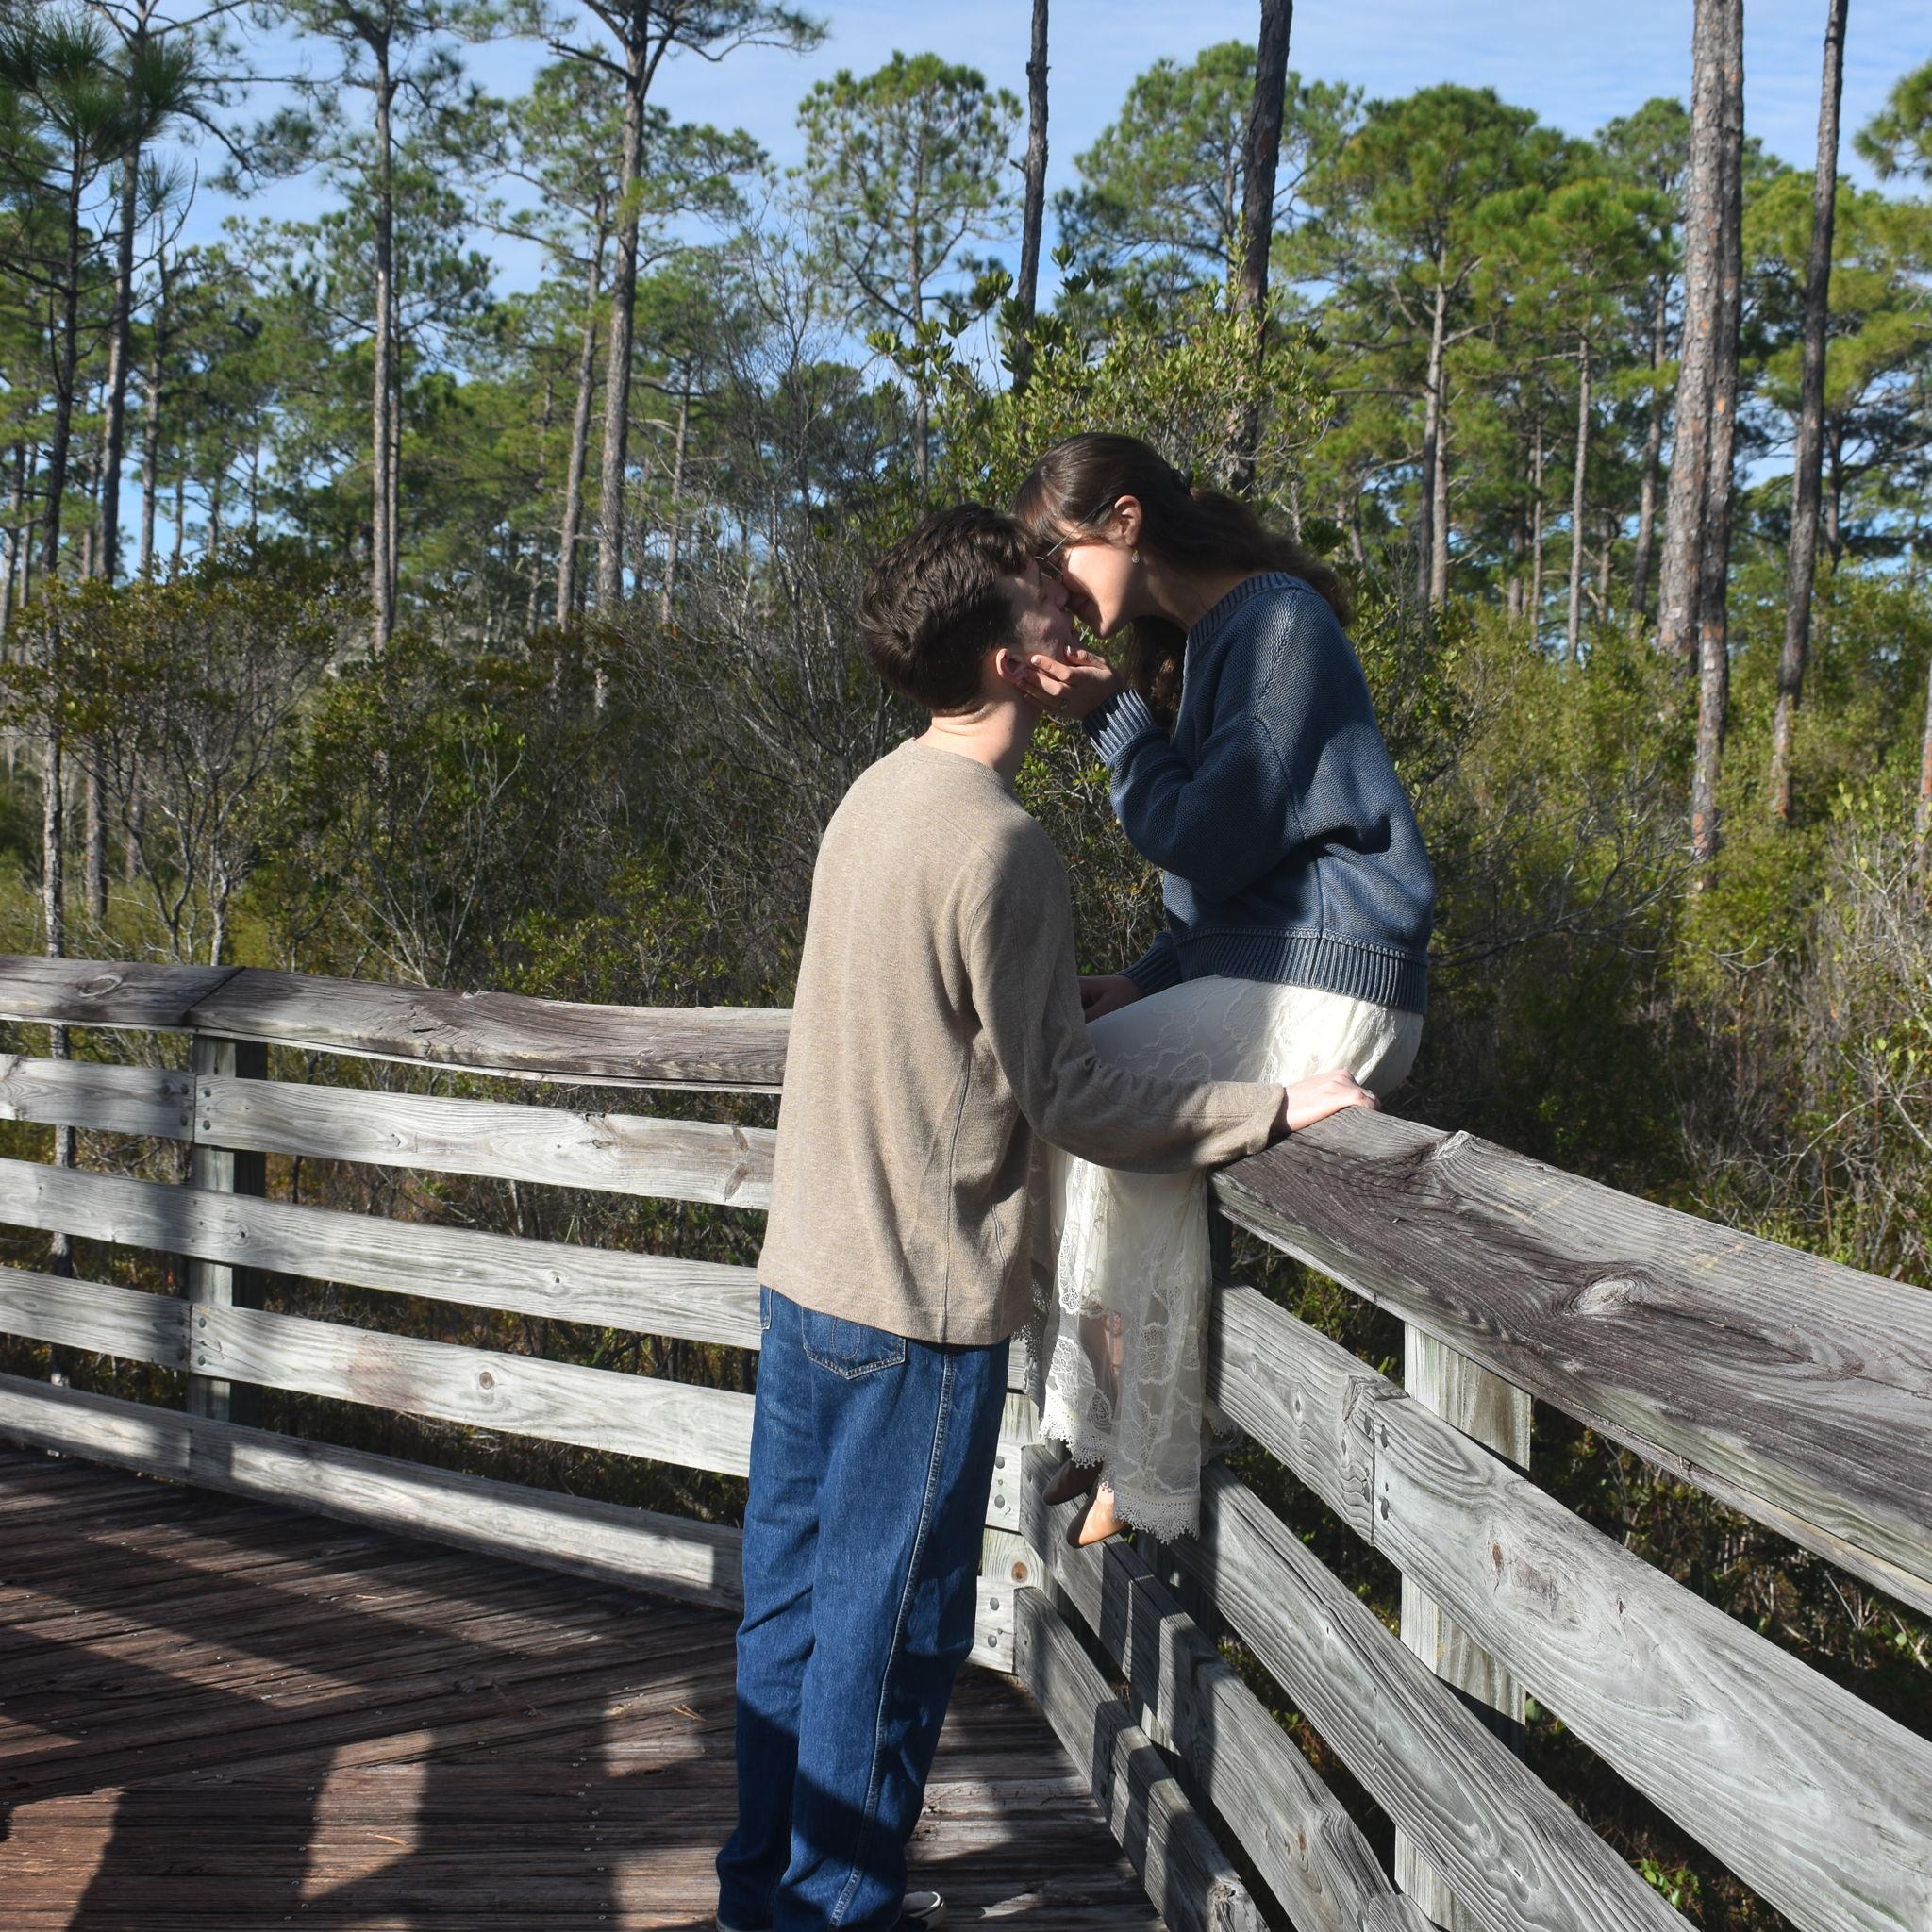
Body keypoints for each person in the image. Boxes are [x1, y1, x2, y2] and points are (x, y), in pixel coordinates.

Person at [714, 503, 1374, 1932]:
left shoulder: (878, 796)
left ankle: (759, 1899)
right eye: (1046, 609)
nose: (1072, 621)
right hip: (916, 1311)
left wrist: (1052, 1011)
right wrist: (1264, 1109)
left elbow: (933, 1016)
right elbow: (1072, 1103)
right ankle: (840, 1911)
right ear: (1010, 660)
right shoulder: (1004, 848)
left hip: (808, 1282)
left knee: (789, 1617)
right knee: (893, 1642)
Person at [1010, 433, 1434, 1547]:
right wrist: (1145, 977)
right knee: (1072, 1085)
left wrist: (1114, 723)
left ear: (1126, 520)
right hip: (1267, 976)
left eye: (1060, 557)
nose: (1055, 588)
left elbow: (1206, 837)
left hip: (1336, 987)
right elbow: (1226, 891)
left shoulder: (1277, 622)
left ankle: (1146, 1462)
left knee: (1103, 1099)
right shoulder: (1211, 646)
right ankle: (1092, 1425)